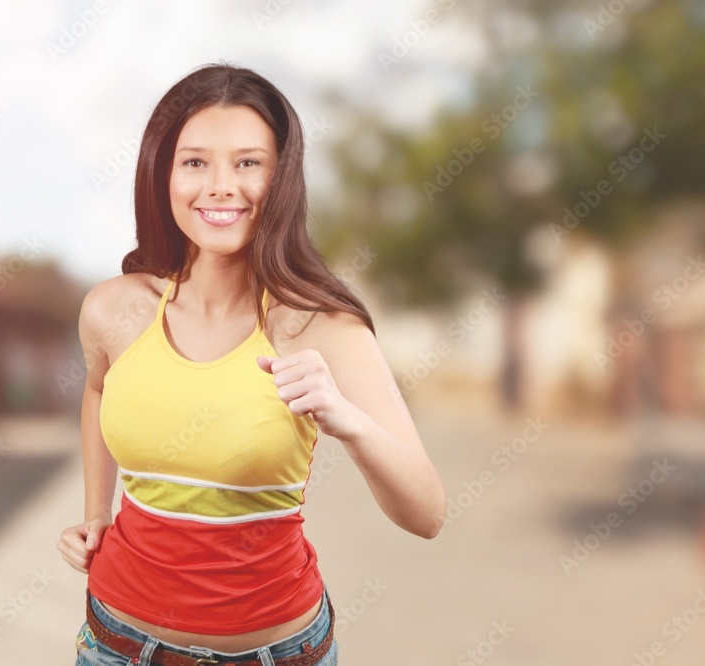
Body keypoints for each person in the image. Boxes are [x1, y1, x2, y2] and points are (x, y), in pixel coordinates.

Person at [58, 62, 447, 666]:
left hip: (277, 652)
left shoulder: (322, 328)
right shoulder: (115, 309)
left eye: (247, 162)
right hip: (116, 644)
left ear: (281, 177)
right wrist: (94, 514)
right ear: (162, 174)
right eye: (195, 162)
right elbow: (98, 389)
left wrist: (346, 418)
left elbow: (428, 514)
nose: (220, 186)